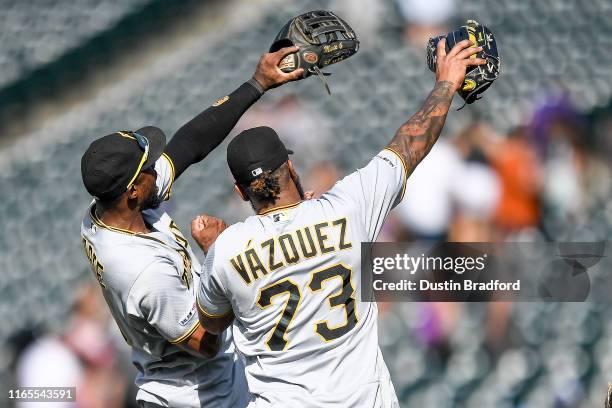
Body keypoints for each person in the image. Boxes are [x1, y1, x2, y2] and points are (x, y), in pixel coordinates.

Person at [194, 38, 485, 406]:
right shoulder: (346, 207)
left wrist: (213, 251)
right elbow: (409, 145)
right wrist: (445, 84)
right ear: (291, 167)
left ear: (240, 192)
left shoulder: (228, 251)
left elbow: (213, 323)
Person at [79, 46, 303, 407]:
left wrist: (257, 83)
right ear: (133, 190)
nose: (158, 165)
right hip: (197, 398)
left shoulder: (112, 208)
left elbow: (189, 144)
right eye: (148, 167)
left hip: (217, 385)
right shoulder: (143, 272)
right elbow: (206, 342)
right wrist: (221, 258)